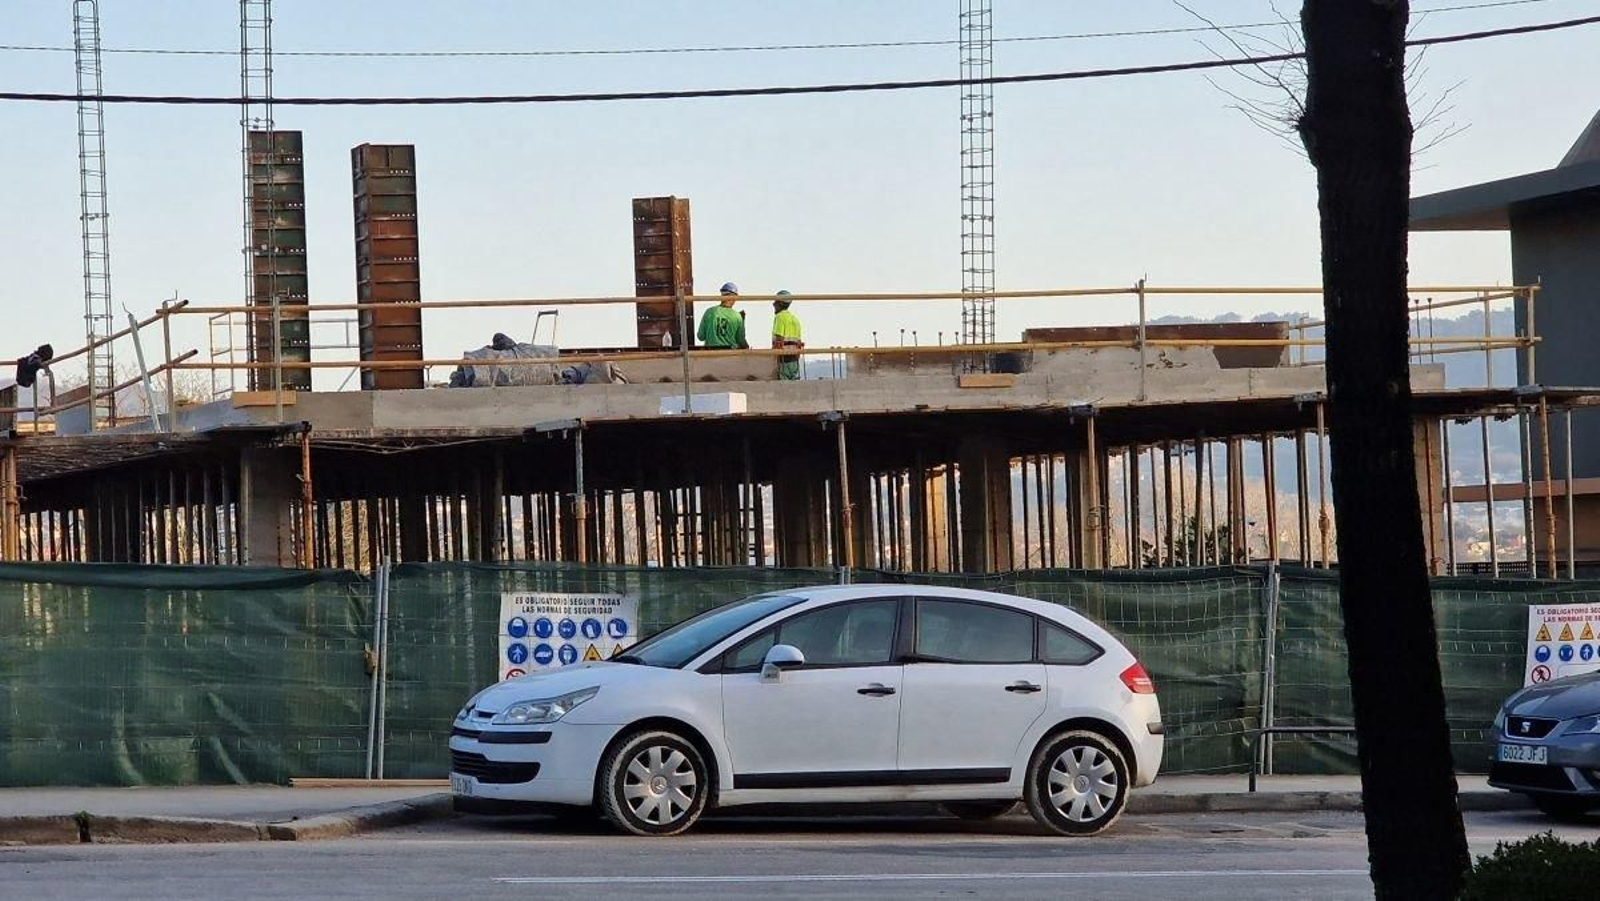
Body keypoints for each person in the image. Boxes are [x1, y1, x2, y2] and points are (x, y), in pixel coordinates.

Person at [697, 282, 748, 350]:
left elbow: (701, 337)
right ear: (734, 297)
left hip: (710, 354)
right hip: (729, 355)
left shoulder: (709, 312)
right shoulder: (737, 317)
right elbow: (741, 341)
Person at [771, 290, 804, 381]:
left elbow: (779, 341)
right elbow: (799, 344)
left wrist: (773, 359)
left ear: (780, 303)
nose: (773, 304)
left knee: (782, 389)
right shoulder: (795, 320)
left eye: (775, 302)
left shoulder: (780, 317)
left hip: (783, 360)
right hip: (794, 362)